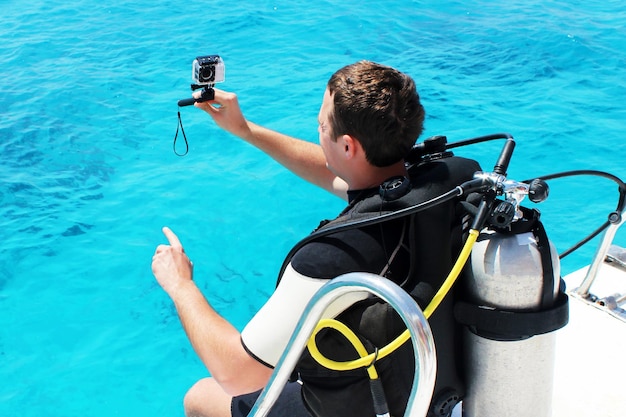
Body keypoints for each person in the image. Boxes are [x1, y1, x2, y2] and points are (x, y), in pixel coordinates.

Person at [152, 60, 479, 417]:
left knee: (201, 397)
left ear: (350, 146)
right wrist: (246, 131)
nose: (317, 130)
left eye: (322, 125)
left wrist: (180, 284)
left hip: (361, 406)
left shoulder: (333, 258)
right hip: (425, 383)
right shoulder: (447, 182)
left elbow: (237, 373)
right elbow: (338, 172)